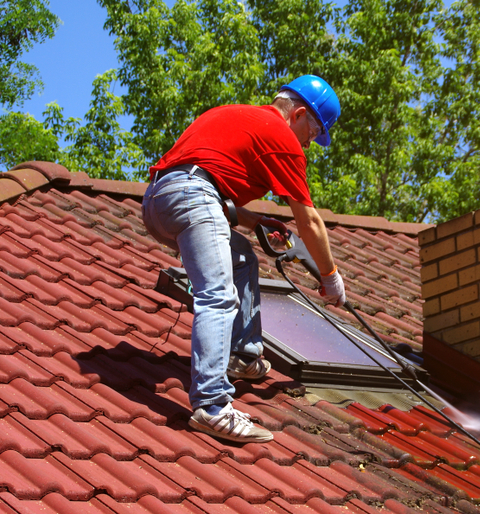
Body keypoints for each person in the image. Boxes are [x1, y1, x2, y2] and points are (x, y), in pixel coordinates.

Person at [142, 75, 346, 444]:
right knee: (218, 295)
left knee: (241, 258)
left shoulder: (235, 114)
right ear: (299, 114)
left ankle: (243, 355)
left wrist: (254, 221)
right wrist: (330, 276)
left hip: (157, 201)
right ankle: (212, 406)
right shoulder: (282, 137)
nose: (309, 144)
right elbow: (309, 220)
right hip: (193, 196)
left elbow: (198, 181)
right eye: (313, 133)